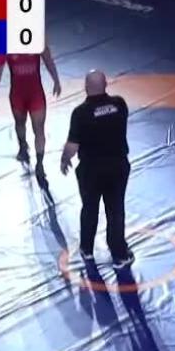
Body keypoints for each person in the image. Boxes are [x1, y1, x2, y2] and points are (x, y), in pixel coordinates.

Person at [61, 70, 134, 269]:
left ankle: (86, 248)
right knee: (115, 210)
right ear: (106, 84)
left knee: (89, 208)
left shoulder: (80, 113)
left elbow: (72, 146)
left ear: (86, 87)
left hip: (91, 170)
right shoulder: (120, 104)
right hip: (117, 166)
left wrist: (64, 160)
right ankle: (119, 255)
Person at [0, 45, 61, 178]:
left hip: (35, 95)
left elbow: (48, 60)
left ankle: (40, 163)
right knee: (20, 123)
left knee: (39, 129)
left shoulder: (37, 42)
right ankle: (23, 146)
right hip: (18, 96)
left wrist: (56, 80)